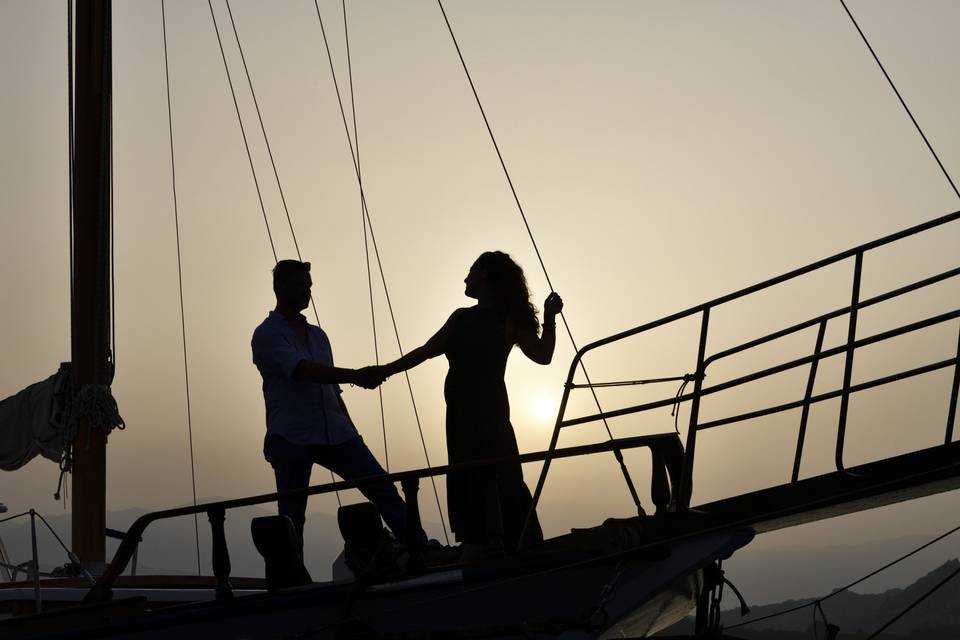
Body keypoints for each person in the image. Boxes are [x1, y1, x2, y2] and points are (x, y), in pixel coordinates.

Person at [372, 251, 562, 560]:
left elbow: (543, 355)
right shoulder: (461, 317)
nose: (465, 278)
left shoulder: (508, 319)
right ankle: (478, 550)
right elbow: (425, 351)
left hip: (490, 417)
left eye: (470, 271)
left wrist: (550, 318)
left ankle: (521, 549)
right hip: (460, 419)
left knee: (504, 482)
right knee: (470, 484)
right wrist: (383, 371)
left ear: (485, 275)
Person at [251, 259, 416, 557]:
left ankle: (417, 546)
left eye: (309, 286)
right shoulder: (266, 334)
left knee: (381, 487)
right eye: (300, 285)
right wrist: (356, 375)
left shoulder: (318, 335)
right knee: (292, 516)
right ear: (279, 288)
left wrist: (351, 428)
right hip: (292, 436)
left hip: (338, 433)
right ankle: (290, 580)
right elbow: (302, 370)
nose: (307, 292)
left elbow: (330, 388)